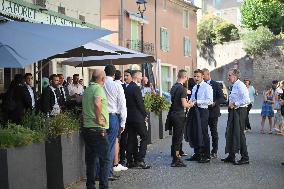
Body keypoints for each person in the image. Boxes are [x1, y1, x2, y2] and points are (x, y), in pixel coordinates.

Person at [82, 69, 110, 189]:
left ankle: (90, 186)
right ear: (102, 79)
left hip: (87, 129)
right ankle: (104, 186)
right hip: (98, 129)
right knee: (105, 160)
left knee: (91, 160)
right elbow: (97, 103)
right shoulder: (98, 89)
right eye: (105, 78)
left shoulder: (87, 89)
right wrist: (98, 119)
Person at [222, 68, 250, 165]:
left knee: (239, 133)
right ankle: (231, 155)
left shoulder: (241, 85)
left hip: (240, 111)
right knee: (230, 132)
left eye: (229, 75)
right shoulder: (234, 85)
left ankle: (245, 157)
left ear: (235, 76)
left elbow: (247, 100)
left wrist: (235, 104)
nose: (228, 77)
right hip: (233, 111)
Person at [103, 65, 128, 177]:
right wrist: (123, 122)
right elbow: (122, 106)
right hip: (113, 117)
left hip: (101, 117)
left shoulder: (100, 85)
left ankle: (101, 172)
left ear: (105, 72)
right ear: (114, 74)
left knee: (102, 145)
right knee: (111, 145)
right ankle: (108, 173)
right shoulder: (117, 86)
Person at [186, 69, 213, 163]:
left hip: (203, 111)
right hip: (194, 111)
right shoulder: (194, 87)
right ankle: (197, 154)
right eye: (195, 76)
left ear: (202, 77)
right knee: (195, 132)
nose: (196, 78)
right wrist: (190, 101)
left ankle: (206, 155)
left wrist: (198, 102)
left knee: (203, 133)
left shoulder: (207, 87)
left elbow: (210, 101)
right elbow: (193, 98)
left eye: (198, 76)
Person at [125, 70, 151, 169]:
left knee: (131, 138)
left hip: (129, 117)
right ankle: (140, 159)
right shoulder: (135, 88)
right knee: (145, 137)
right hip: (137, 117)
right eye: (141, 76)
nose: (142, 78)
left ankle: (130, 161)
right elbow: (140, 103)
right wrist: (145, 115)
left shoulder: (127, 88)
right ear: (136, 77)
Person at [169, 69, 193, 167]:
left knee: (175, 137)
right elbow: (184, 104)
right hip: (179, 115)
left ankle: (175, 156)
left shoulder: (174, 87)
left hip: (173, 114)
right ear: (185, 77)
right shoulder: (182, 89)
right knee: (178, 138)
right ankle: (176, 159)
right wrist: (190, 104)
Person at [202, 68, 224, 159]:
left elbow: (222, 97)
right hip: (203, 112)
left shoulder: (216, 84)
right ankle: (204, 151)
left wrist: (215, 103)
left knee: (213, 132)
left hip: (213, 113)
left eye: (203, 75)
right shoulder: (200, 85)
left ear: (208, 74)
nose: (202, 77)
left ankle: (214, 151)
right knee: (203, 132)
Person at [119, 69, 132, 166]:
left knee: (130, 139)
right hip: (122, 116)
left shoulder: (134, 87)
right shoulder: (121, 86)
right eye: (124, 75)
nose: (125, 77)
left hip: (130, 117)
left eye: (127, 75)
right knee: (123, 139)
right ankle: (122, 159)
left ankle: (129, 159)